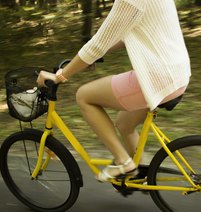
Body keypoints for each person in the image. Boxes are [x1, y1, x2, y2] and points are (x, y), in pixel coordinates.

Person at [36, 0, 191, 182]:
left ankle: (124, 162)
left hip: (156, 78)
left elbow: (98, 44)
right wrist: (93, 56)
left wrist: (60, 75)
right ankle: (136, 173)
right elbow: (124, 34)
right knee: (124, 124)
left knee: (84, 95)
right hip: (177, 75)